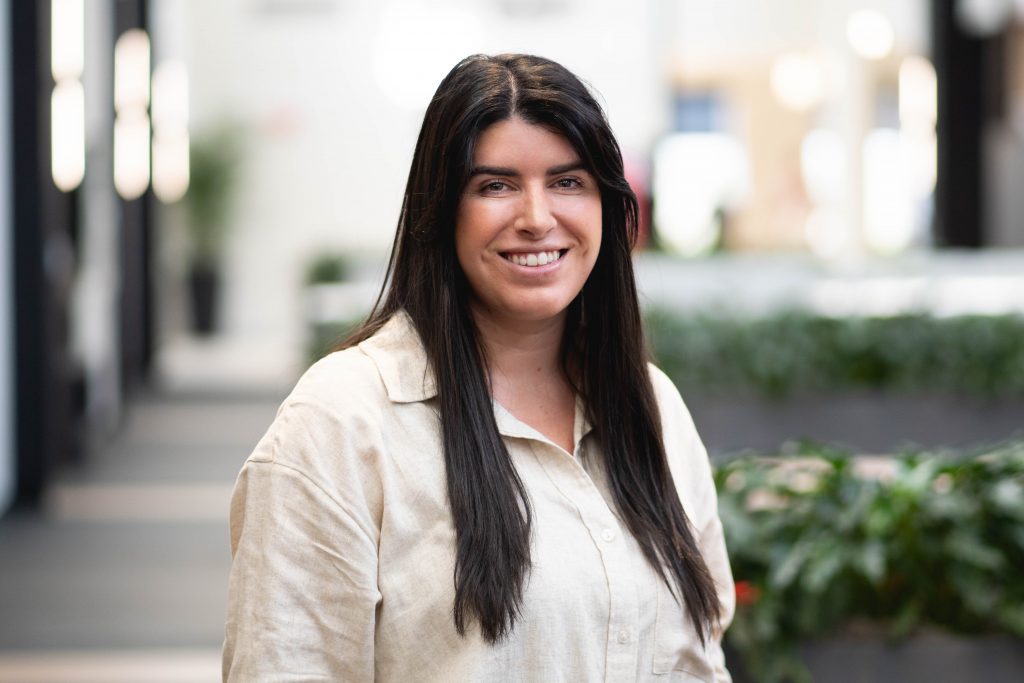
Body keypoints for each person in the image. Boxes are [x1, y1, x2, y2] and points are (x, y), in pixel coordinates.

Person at [223, 53, 735, 682]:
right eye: (495, 186)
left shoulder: (650, 404)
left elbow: (698, 659)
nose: (537, 218)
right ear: (441, 211)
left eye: (568, 182)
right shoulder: (341, 423)